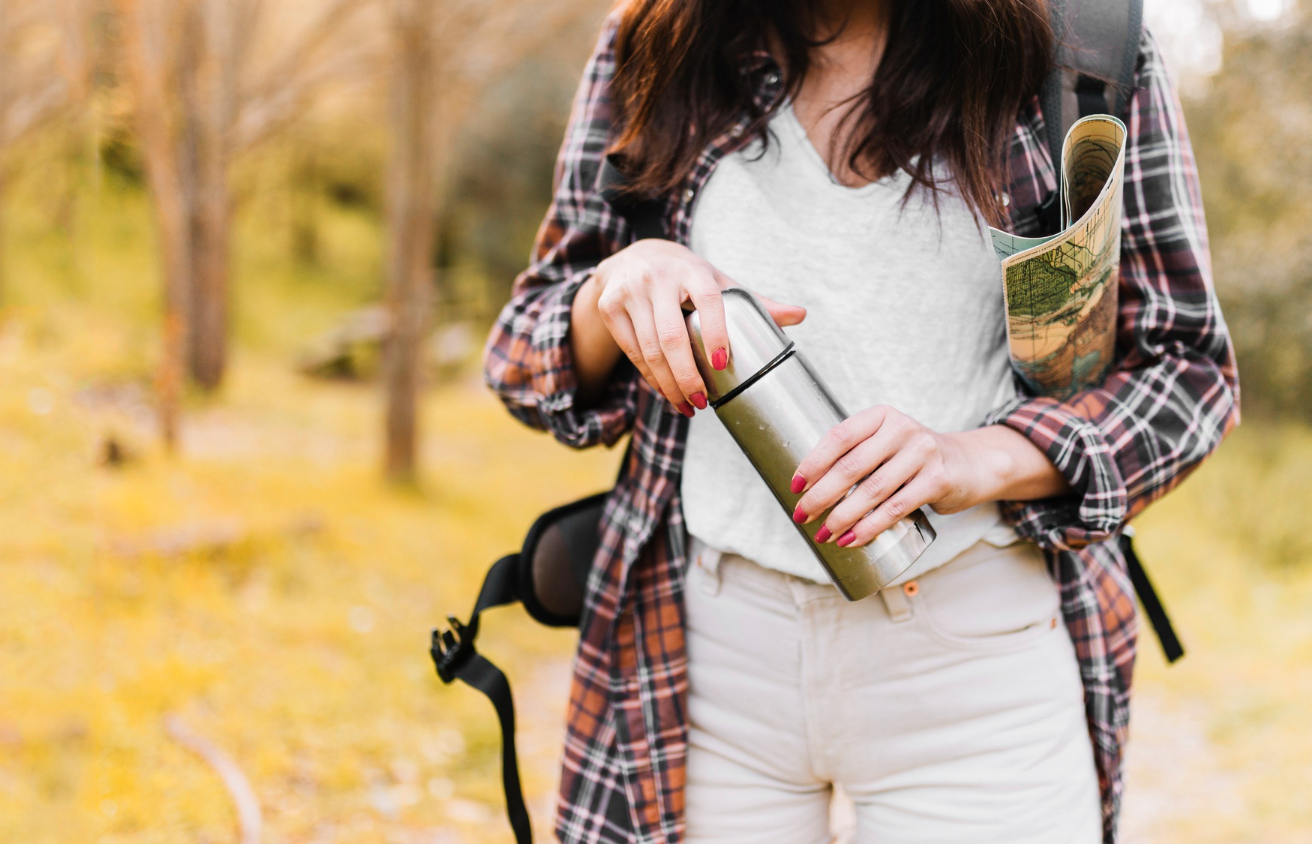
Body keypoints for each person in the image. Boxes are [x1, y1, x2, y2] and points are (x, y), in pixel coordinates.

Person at [483, 0, 1238, 841]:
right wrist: (617, 285)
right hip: (705, 657)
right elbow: (523, 351)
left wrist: (974, 459)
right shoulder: (659, 38)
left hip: (977, 665)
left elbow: (1188, 371)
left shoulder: (1082, 47)